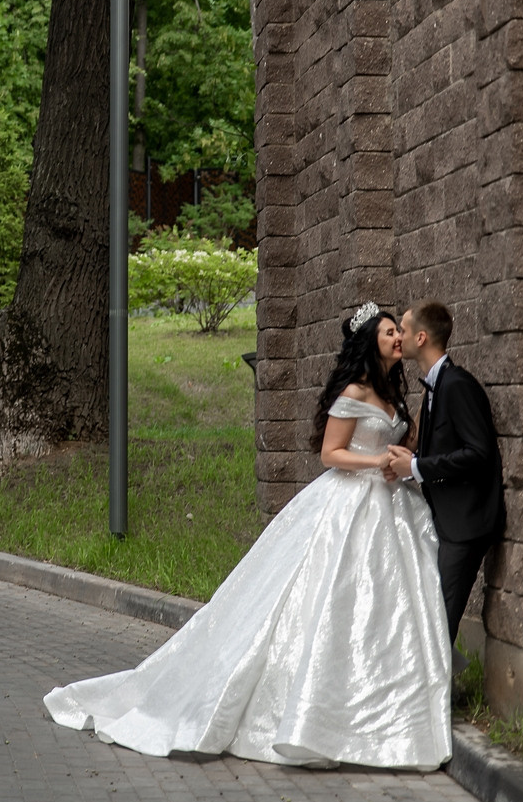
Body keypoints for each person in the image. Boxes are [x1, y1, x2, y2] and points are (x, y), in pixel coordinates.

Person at [44, 303, 452, 771]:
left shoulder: (395, 394)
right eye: (388, 333)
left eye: (397, 333)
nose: (397, 338)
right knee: (326, 595)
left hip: (392, 506)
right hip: (348, 503)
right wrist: (375, 462)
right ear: (369, 343)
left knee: (384, 604)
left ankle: (384, 701)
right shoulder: (354, 391)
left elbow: (404, 440)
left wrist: (407, 446)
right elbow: (330, 454)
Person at [383, 300, 505, 645]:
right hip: (448, 520)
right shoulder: (437, 384)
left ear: (421, 338)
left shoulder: (456, 384)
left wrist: (417, 466)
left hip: (466, 524)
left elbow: (478, 453)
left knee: (438, 619)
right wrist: (409, 465)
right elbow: (448, 448)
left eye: (403, 330)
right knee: (430, 612)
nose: (399, 337)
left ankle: (434, 698)